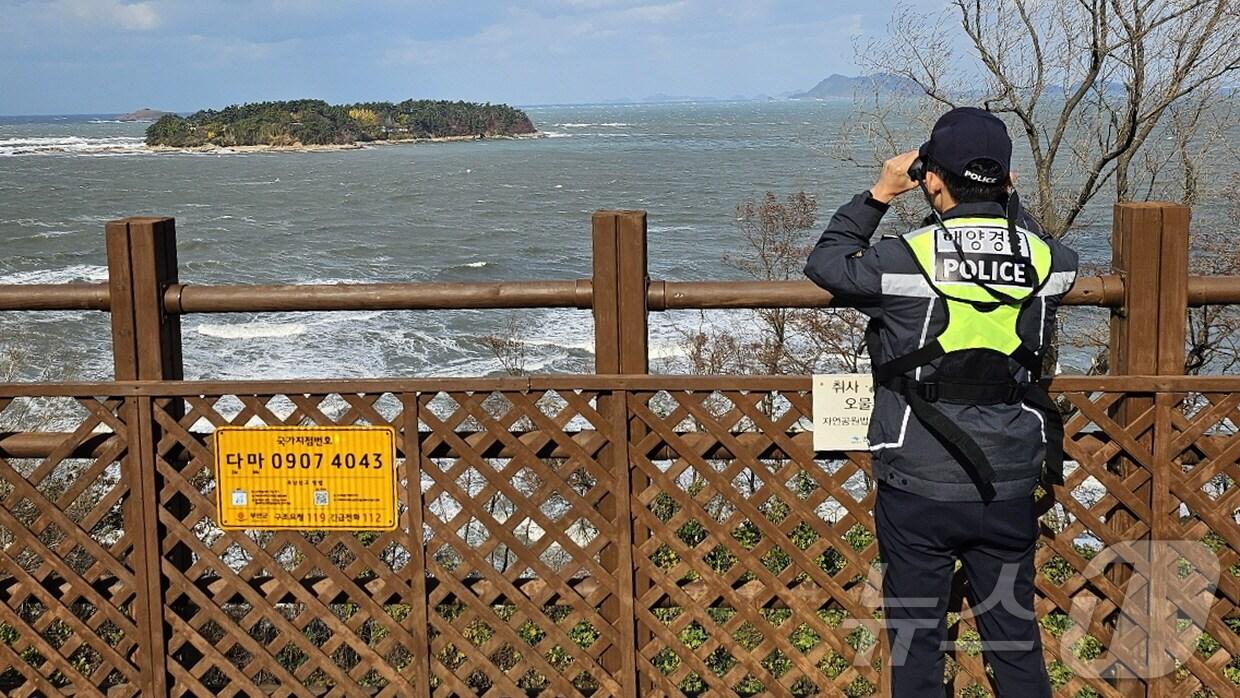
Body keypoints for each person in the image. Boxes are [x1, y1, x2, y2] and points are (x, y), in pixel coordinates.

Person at [804, 107, 1078, 697]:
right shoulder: (1047, 261)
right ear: (1006, 179)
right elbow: (1059, 255)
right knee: (1014, 638)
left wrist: (879, 193)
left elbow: (827, 263)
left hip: (917, 478)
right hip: (1009, 476)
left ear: (931, 177)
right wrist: (1008, 204)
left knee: (916, 642)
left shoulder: (906, 257)